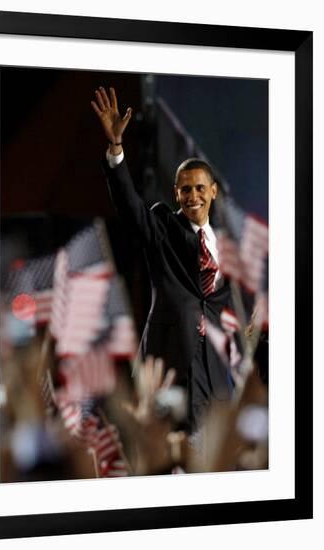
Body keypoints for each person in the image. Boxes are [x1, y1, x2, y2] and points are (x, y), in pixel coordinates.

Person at [91, 86, 237, 433]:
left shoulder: (228, 247)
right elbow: (130, 207)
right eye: (184, 189)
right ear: (175, 193)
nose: (193, 196)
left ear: (213, 191)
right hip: (170, 361)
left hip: (215, 374)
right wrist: (116, 149)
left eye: (200, 188)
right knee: (167, 453)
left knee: (215, 458)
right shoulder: (163, 226)